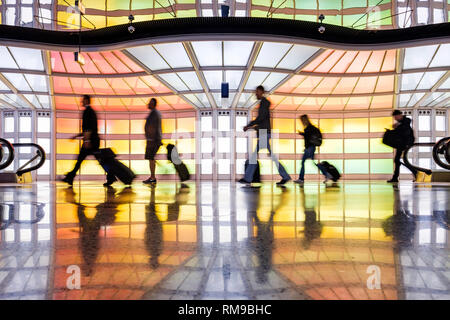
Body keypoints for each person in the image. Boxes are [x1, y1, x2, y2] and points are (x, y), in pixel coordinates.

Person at [238, 85, 291, 186]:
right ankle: (285, 176)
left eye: (257, 92)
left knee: (255, 156)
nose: (256, 94)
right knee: (270, 156)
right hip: (264, 132)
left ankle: (248, 178)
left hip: (264, 132)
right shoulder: (264, 103)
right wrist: (251, 127)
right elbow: (261, 119)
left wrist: (249, 126)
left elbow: (260, 119)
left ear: (262, 92)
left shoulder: (264, 103)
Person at [62, 95, 115, 187]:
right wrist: (77, 136)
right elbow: (88, 129)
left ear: (86, 101)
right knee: (96, 160)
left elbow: (88, 128)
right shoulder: (90, 111)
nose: (81, 102)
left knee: (82, 160)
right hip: (93, 140)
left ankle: (70, 177)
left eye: (83, 100)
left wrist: (87, 141)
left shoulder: (88, 112)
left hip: (90, 141)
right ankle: (111, 176)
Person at [294, 114, 330, 185]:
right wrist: (303, 134)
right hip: (309, 148)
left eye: (302, 120)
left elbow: (309, 137)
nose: (302, 122)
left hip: (310, 148)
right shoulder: (310, 127)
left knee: (311, 162)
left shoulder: (309, 128)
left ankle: (326, 174)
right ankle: (326, 174)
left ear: (305, 120)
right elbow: (309, 136)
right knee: (308, 162)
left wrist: (303, 134)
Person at [388, 110, 417, 183]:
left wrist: (397, 127)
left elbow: (404, 131)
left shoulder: (406, 121)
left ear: (399, 115)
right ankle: (395, 177)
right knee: (397, 160)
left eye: (395, 117)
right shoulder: (402, 122)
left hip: (405, 143)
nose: (395, 119)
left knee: (399, 160)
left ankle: (415, 172)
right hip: (401, 143)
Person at [143, 98, 162, 184]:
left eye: (150, 103)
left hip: (152, 140)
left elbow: (153, 127)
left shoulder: (154, 113)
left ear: (154, 104)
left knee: (150, 158)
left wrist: (152, 139)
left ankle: (152, 177)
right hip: (153, 140)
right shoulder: (154, 113)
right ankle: (152, 176)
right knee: (151, 158)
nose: (148, 104)